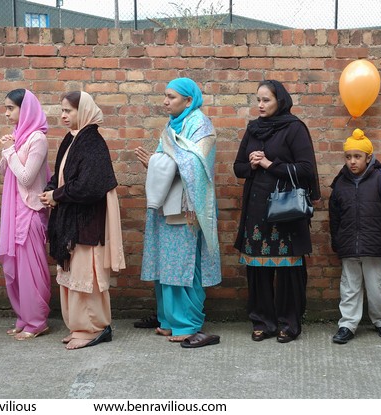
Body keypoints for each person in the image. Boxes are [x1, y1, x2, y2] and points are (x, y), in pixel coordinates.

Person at [233, 80, 320, 343]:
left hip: (286, 212)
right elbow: (238, 168)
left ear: (280, 101)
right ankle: (263, 322)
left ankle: (288, 323)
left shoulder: (294, 129)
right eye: (258, 99)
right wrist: (252, 164)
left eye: (266, 100)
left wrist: (270, 164)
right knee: (257, 271)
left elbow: (306, 169)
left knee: (288, 272)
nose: (260, 105)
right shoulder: (253, 129)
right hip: (256, 210)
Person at [137, 77, 221, 348]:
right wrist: (156, 164)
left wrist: (157, 162)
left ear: (188, 100)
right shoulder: (171, 126)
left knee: (184, 264)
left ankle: (188, 324)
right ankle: (169, 320)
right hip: (167, 206)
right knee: (166, 263)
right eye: (165, 95)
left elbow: (198, 165)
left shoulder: (201, 125)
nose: (165, 101)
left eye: (171, 97)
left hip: (188, 209)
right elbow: (168, 161)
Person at [39, 91, 125, 350]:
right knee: (71, 274)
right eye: (62, 110)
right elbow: (61, 172)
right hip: (70, 219)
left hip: (87, 223)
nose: (63, 116)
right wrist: (51, 189)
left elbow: (89, 186)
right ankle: (79, 326)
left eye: (69, 111)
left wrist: (57, 195)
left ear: (84, 111)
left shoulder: (93, 142)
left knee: (85, 277)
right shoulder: (72, 138)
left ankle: (94, 328)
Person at [329, 128, 381, 344]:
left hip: (375, 244)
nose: (352, 161)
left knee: (377, 287)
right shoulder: (340, 182)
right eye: (348, 157)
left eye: (357, 156)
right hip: (348, 245)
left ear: (368, 157)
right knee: (349, 287)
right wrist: (336, 240)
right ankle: (347, 324)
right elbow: (334, 215)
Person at [0, 89, 51, 341]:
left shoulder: (37, 139)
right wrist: (7, 151)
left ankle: (37, 321)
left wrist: (10, 151)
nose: (7, 113)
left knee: (32, 271)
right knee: (18, 269)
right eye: (6, 108)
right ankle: (23, 317)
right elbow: (4, 172)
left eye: (11, 108)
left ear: (25, 109)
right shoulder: (19, 137)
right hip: (14, 213)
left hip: (30, 212)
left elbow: (27, 178)